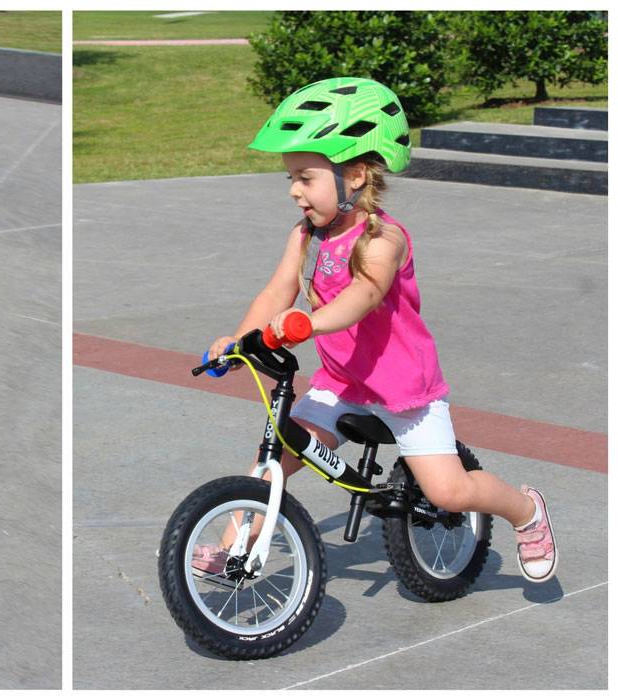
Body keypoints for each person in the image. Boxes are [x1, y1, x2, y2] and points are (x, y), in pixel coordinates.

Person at [196, 76, 556, 584]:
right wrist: (240, 341)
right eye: (290, 179)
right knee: (274, 454)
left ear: (357, 174)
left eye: (305, 177)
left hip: (405, 389)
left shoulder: (384, 238)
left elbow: (361, 297)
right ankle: (232, 551)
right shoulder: (306, 236)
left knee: (448, 493)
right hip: (342, 383)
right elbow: (277, 292)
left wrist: (308, 324)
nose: (295, 191)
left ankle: (525, 511)